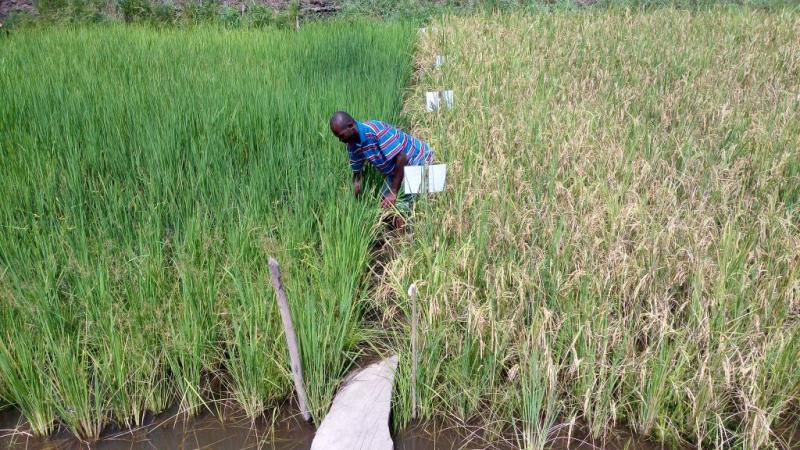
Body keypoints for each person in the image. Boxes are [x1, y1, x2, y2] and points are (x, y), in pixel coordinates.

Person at [329, 111, 433, 226]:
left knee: (400, 206)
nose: (340, 140)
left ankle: (407, 238)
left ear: (351, 126)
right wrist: (357, 186)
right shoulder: (352, 145)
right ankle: (396, 231)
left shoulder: (375, 131)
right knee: (383, 204)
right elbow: (357, 171)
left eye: (341, 136)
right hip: (396, 170)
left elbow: (402, 158)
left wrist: (393, 192)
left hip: (417, 160)